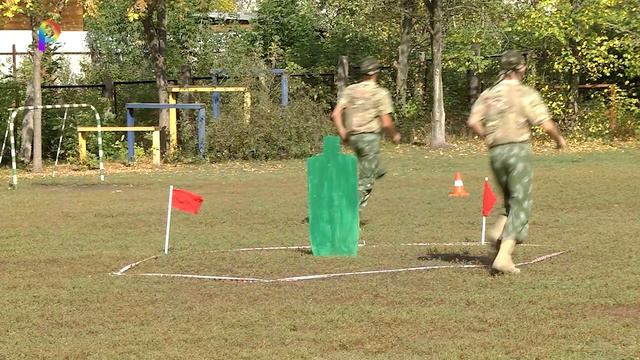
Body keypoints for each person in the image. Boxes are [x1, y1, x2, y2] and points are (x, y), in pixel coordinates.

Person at [467, 49, 567, 274]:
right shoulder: (525, 93)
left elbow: (473, 121)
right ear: (521, 68)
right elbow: (546, 123)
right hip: (518, 150)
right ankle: (504, 256)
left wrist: (488, 137)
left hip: (496, 152)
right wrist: (558, 139)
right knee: (522, 203)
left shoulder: (489, 94)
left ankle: (497, 232)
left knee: (510, 202)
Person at [331, 56, 401, 211]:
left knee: (372, 165)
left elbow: (335, 114)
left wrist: (343, 132)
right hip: (369, 138)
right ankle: (345, 209)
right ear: (375, 73)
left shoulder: (350, 90)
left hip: (353, 138)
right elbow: (387, 122)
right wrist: (394, 135)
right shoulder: (379, 93)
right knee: (366, 182)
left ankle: (377, 169)